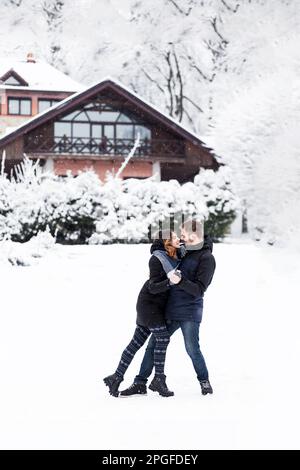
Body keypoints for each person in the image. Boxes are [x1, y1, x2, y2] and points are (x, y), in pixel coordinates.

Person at [120, 218, 216, 397]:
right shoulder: (183, 251)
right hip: (170, 309)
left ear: (200, 237)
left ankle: (204, 381)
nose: (185, 240)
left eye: (190, 237)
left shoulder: (207, 258)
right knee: (153, 344)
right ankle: (140, 382)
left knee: (192, 348)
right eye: (184, 236)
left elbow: (199, 290)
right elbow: (162, 251)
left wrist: (180, 281)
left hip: (189, 312)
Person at [103, 231, 183, 398]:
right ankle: (159, 380)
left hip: (156, 307)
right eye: (175, 237)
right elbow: (153, 287)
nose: (179, 239)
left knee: (136, 343)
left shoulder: (172, 257)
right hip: (149, 305)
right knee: (162, 338)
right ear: (166, 241)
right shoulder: (156, 259)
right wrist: (170, 282)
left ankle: (116, 376)